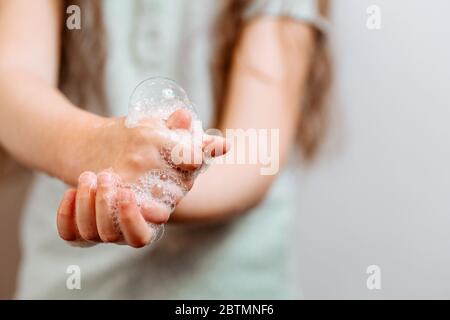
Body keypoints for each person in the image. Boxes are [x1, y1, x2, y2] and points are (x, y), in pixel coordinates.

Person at [0, 0, 330, 299]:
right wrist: (96, 144)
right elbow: (12, 83)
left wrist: (158, 185)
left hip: (230, 284)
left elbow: (256, 154)